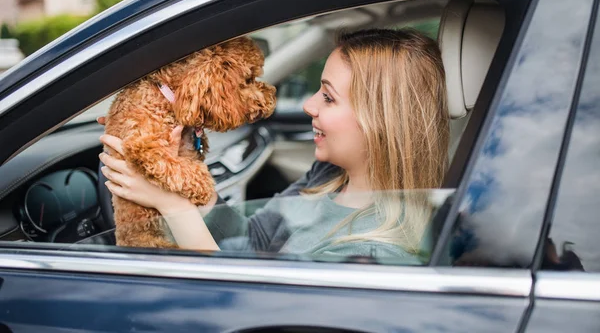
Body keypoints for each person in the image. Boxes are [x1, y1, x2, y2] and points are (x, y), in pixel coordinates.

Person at [98, 28, 450, 262]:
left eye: (328, 97)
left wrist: (171, 204)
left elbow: (240, 302)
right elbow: (253, 238)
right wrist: (184, 158)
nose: (309, 105)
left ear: (380, 120)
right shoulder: (326, 177)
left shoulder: (372, 255)